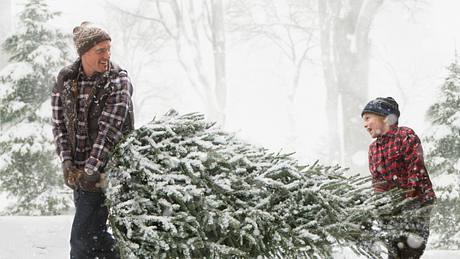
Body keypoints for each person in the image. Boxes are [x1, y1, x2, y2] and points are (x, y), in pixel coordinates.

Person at [52, 21, 134, 259]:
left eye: (109, 49)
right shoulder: (66, 81)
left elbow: (110, 131)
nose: (107, 55)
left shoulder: (118, 82)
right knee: (93, 235)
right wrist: (67, 162)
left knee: (81, 238)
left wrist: (91, 171)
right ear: (83, 53)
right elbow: (59, 125)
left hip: (108, 170)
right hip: (80, 173)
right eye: (100, 50)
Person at [361, 97, 436, 259]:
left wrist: (409, 200)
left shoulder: (405, 135)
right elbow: (377, 180)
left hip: (417, 202)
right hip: (392, 207)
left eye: (368, 118)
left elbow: (415, 168)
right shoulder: (373, 148)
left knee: (410, 249)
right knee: (394, 249)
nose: (364, 124)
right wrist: (381, 205)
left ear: (385, 117)